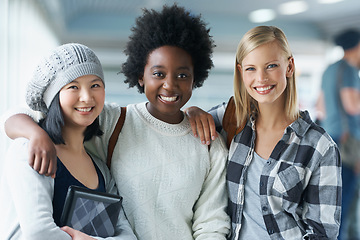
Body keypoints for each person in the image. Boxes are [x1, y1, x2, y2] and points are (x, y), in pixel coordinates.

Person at [2, 5, 230, 240]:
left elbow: (211, 227)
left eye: (182, 75)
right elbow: (28, 114)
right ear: (141, 75)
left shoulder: (209, 143)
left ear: (196, 78)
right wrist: (34, 134)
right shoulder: (113, 121)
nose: (170, 85)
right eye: (158, 74)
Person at [185, 26, 342, 239]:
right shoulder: (232, 118)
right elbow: (181, 126)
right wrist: (192, 110)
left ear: (289, 66)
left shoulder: (320, 146)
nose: (261, 78)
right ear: (241, 72)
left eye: (271, 66)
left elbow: (322, 233)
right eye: (251, 69)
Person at [0, 43, 137, 239]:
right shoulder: (29, 150)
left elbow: (127, 236)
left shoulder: (101, 169)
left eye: (95, 85)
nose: (87, 97)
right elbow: (38, 233)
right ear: (53, 96)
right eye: (73, 87)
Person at [317, 29, 360, 240]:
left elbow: (321, 107)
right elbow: (352, 106)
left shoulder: (329, 69)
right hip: (348, 142)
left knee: (333, 201)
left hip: (330, 140)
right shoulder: (349, 70)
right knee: (348, 200)